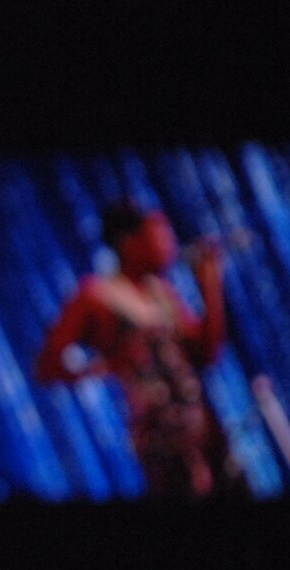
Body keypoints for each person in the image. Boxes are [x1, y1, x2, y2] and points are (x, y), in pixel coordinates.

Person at [35, 199, 236, 497]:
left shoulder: (162, 293)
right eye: (159, 234)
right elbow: (47, 365)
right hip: (160, 445)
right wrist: (99, 369)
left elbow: (206, 354)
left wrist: (210, 285)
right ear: (129, 242)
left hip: (205, 433)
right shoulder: (96, 295)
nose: (169, 244)